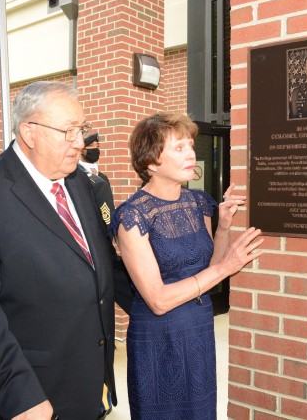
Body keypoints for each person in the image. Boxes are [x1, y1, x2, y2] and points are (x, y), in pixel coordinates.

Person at [0, 81, 133, 420]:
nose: (80, 142)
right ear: (29, 132)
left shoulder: (80, 182)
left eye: (82, 129)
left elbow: (97, 264)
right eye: (68, 131)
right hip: (33, 391)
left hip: (90, 381)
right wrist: (19, 392)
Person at [109, 112, 263, 419]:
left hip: (198, 328)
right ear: (151, 162)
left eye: (191, 145)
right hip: (159, 335)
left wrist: (224, 227)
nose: (191, 154)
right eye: (179, 148)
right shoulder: (132, 217)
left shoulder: (199, 203)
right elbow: (158, 300)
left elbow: (210, 270)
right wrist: (225, 267)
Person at [79, 132, 115, 228]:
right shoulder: (75, 176)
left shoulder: (102, 177)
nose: (95, 149)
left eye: (97, 146)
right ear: (81, 149)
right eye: (90, 146)